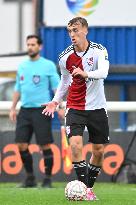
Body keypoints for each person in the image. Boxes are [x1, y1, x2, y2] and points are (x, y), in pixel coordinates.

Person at [42, 17, 110, 200]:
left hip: (97, 107)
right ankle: (85, 191)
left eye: (76, 30)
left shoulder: (98, 51)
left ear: (85, 30)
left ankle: (88, 187)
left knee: (98, 151)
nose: (72, 34)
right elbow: (64, 83)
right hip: (75, 107)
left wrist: (85, 73)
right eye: (69, 31)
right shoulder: (64, 57)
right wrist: (55, 101)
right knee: (75, 144)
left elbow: (104, 72)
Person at [9, 34, 60, 188]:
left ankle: (48, 179)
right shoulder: (22, 66)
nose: (30, 47)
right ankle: (30, 178)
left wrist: (60, 106)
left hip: (42, 110)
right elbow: (18, 88)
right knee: (21, 144)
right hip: (25, 110)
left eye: (33, 44)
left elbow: (56, 88)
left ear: (40, 46)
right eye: (28, 44)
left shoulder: (48, 65)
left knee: (44, 145)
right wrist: (13, 107)